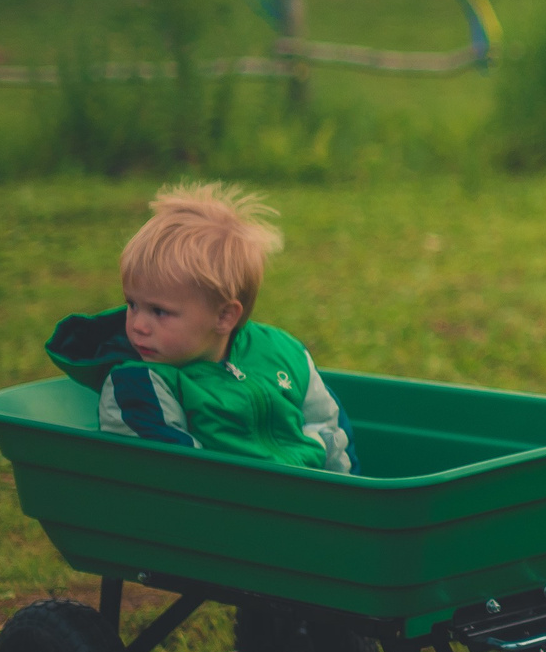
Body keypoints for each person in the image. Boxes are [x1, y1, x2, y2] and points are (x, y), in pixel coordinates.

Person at [44, 183, 356, 474]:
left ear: (224, 317)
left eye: (159, 311)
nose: (138, 325)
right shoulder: (141, 385)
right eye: (132, 304)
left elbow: (327, 424)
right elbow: (177, 478)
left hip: (310, 501)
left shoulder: (282, 353)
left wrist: (340, 493)